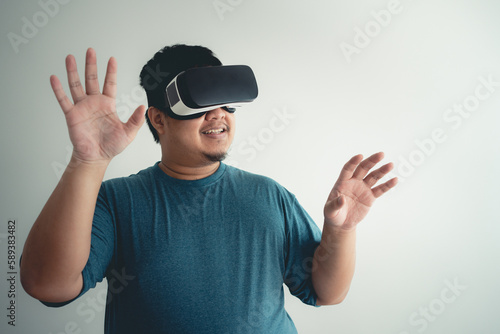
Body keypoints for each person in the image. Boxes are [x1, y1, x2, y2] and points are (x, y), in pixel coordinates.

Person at [20, 44, 398, 334]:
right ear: (159, 119)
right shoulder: (117, 201)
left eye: (224, 100)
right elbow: (46, 284)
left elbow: (326, 292)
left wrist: (341, 230)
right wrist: (88, 162)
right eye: (199, 101)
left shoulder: (269, 195)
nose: (217, 113)